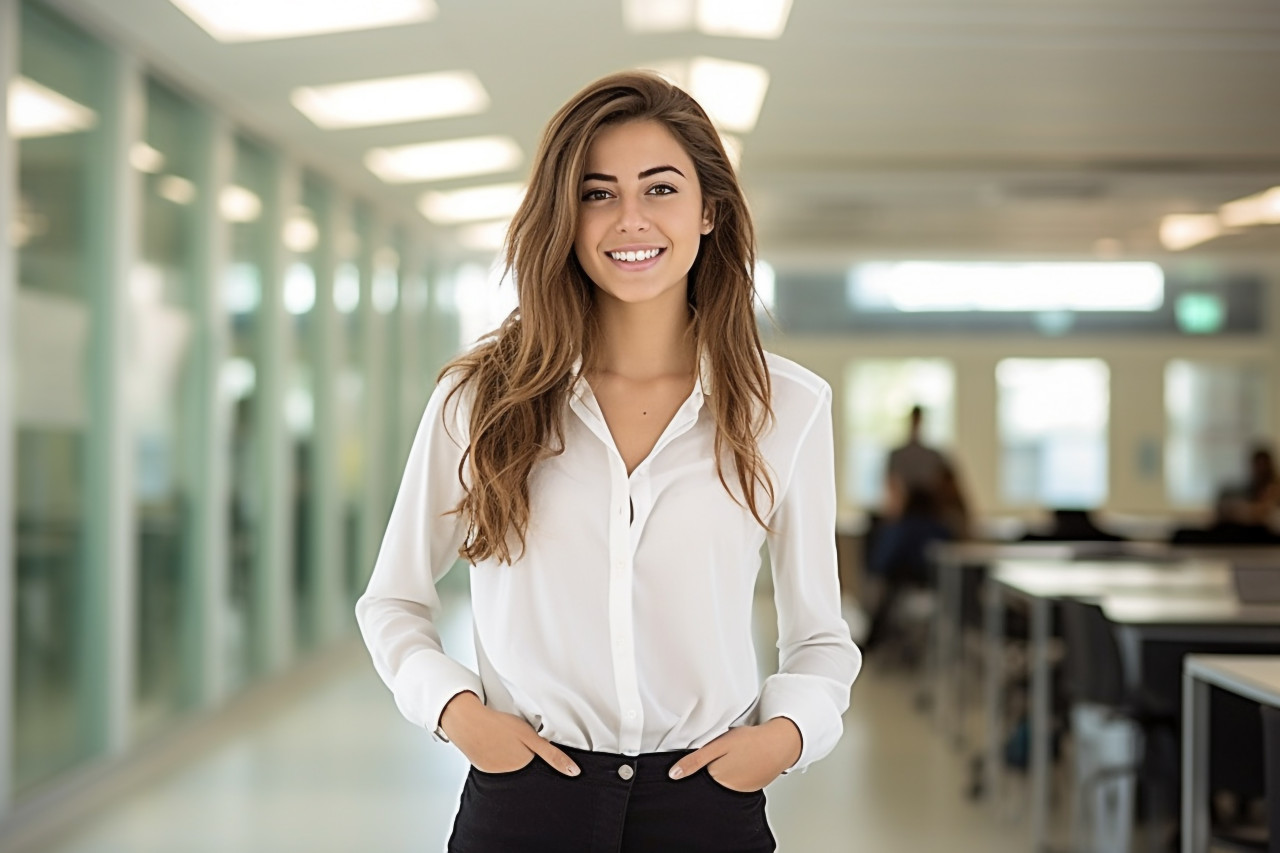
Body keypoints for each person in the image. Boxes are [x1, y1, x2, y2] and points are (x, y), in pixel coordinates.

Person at [355, 71, 861, 853]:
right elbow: (392, 599)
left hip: (706, 805)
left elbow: (820, 636)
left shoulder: (786, 406)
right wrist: (458, 713)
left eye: (660, 188)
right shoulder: (481, 397)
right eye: (597, 193)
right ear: (564, 215)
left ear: (709, 210)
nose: (631, 218)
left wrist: (786, 737)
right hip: (525, 801)